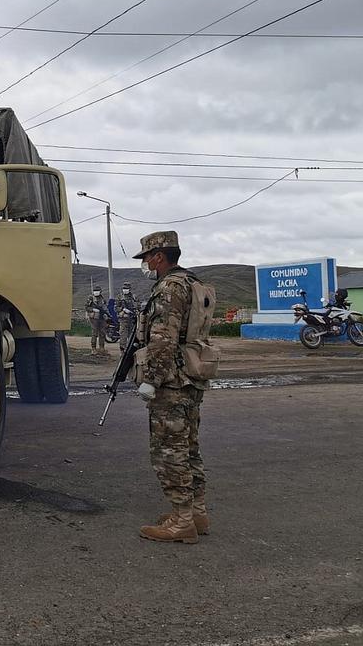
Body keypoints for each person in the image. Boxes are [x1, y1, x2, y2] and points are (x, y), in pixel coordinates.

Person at [132, 231, 210, 544]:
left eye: (148, 257)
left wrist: (151, 379)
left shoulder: (169, 287)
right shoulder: (192, 282)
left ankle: (182, 522)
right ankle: (197, 512)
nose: (147, 263)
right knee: (189, 446)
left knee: (169, 451)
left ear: (160, 256)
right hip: (191, 376)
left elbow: (163, 337)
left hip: (172, 381)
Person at [85, 286, 108, 356]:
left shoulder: (103, 299)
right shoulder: (91, 298)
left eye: (97, 291)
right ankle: (93, 348)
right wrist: (92, 309)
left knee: (102, 333)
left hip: (101, 318)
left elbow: (105, 308)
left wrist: (106, 315)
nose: (96, 292)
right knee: (94, 333)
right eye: (95, 291)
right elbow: (86, 307)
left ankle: (101, 347)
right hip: (94, 318)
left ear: (100, 291)